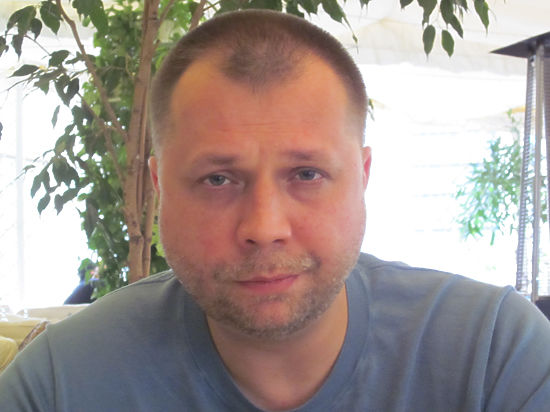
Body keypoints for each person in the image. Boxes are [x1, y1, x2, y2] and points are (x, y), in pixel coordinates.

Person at [1, 9, 550, 411]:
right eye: (217, 179)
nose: (264, 227)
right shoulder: (58, 386)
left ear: (362, 177)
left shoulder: (492, 359)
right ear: (160, 186)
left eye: (306, 174)